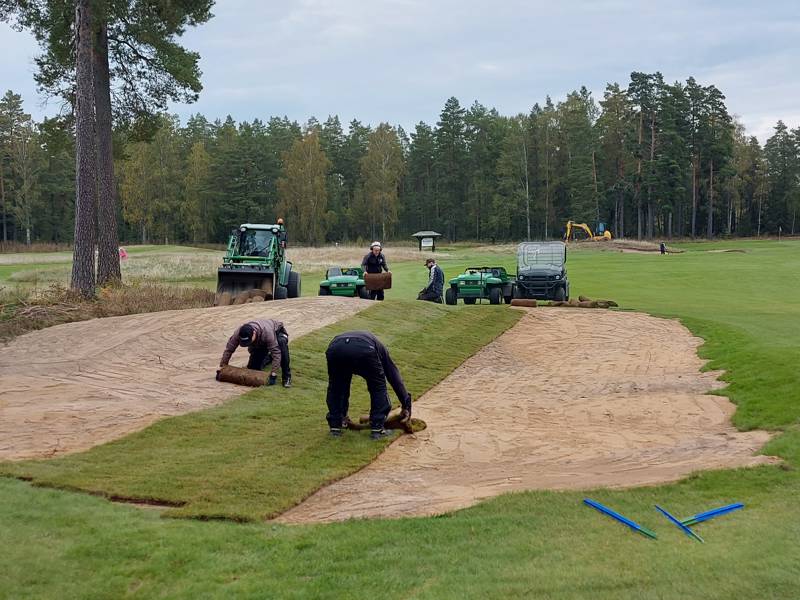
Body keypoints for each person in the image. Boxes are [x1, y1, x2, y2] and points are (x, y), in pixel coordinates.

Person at [325, 331, 412, 439]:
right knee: (377, 386)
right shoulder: (382, 351)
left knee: (336, 386)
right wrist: (406, 403)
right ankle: (377, 429)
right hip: (364, 350)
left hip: (335, 348)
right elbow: (394, 377)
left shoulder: (375, 345)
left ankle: (336, 426)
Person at [219, 319, 292, 387]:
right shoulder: (238, 333)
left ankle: (286, 377)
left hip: (277, 332)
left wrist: (273, 374)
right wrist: (223, 367)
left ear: (254, 333)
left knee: (281, 345)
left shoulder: (267, 333)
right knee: (253, 368)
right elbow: (229, 349)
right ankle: (269, 358)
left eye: (248, 342)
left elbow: (276, 352)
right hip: (261, 341)